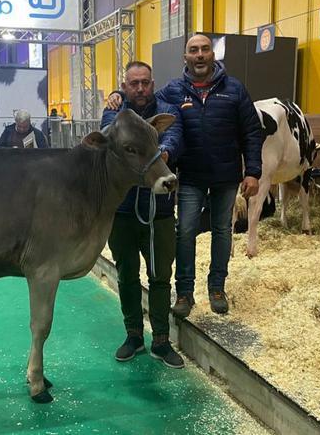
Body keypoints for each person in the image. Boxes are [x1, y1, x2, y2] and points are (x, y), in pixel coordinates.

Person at [107, 34, 264, 316]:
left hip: (226, 175)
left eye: (205, 49)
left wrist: (253, 171)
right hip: (190, 175)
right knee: (186, 231)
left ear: (212, 55)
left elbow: (252, 131)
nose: (200, 54)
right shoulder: (172, 91)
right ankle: (184, 292)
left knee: (222, 231)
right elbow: (143, 99)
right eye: (194, 50)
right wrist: (116, 96)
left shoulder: (235, 90)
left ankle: (217, 287)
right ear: (186, 57)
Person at [102, 61, 185, 369]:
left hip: (159, 209)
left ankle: (161, 341)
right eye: (133, 83)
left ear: (153, 83)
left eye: (145, 83)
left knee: (161, 275)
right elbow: (107, 139)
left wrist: (162, 152)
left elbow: (174, 137)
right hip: (122, 209)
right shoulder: (113, 113)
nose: (139, 88)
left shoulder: (167, 110)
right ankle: (134, 335)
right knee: (126, 273)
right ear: (124, 86)